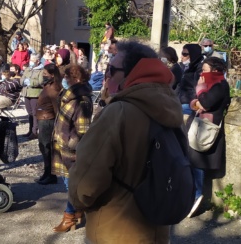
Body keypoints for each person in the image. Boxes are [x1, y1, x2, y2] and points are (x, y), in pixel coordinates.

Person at [68, 40, 182, 242]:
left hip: (115, 229)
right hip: (156, 228)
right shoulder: (171, 106)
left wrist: (76, 200)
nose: (106, 76)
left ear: (130, 74)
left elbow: (86, 180)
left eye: (111, 69)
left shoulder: (118, 112)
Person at [186, 56, 231, 217]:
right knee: (192, 160)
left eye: (205, 70)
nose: (202, 74)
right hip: (199, 127)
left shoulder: (220, 85)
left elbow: (204, 103)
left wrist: (199, 91)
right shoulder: (211, 85)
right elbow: (194, 102)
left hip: (206, 130)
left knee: (198, 162)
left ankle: (197, 194)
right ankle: (192, 195)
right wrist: (197, 101)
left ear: (215, 70)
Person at [50, 64, 93, 233]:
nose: (64, 80)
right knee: (70, 184)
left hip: (71, 152)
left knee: (72, 186)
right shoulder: (70, 96)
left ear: (76, 79)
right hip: (63, 149)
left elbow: (83, 131)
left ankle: (69, 217)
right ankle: (78, 211)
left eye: (67, 77)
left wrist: (68, 144)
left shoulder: (81, 100)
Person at [35, 63, 62, 185]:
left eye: (45, 74)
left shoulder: (53, 88)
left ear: (52, 75)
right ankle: (46, 173)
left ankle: (51, 174)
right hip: (43, 119)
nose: (43, 75)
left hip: (48, 120)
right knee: (43, 147)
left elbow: (57, 107)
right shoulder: (48, 86)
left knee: (47, 147)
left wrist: (59, 124)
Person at [20, 54, 45, 138]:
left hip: (35, 94)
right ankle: (30, 130)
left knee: (34, 113)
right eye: (30, 59)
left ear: (38, 61)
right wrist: (24, 81)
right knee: (29, 112)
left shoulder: (42, 70)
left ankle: (34, 131)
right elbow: (22, 79)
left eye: (33, 60)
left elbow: (41, 81)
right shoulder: (28, 69)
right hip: (26, 92)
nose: (31, 61)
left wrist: (31, 82)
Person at [179, 44, 203, 115]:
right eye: (182, 53)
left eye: (185, 54)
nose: (182, 57)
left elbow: (198, 87)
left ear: (193, 55)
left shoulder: (200, 69)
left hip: (189, 104)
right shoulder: (183, 66)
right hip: (179, 102)